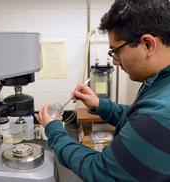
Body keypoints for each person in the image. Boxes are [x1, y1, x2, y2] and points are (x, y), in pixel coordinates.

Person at [35, 0, 170, 181]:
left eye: (116, 51)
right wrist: (98, 104)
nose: (114, 60)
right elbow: (136, 117)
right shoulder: (159, 82)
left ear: (148, 44)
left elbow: (99, 171)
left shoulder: (160, 112)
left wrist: (54, 132)